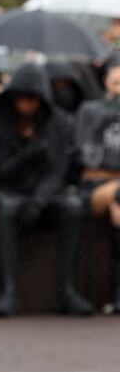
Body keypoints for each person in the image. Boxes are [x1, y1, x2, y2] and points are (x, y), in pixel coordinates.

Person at [0, 63, 93, 315]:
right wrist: (27, 155)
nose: (26, 103)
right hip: (10, 192)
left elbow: (59, 170)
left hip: (45, 196)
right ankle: (8, 291)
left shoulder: (58, 123)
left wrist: (39, 200)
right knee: (6, 208)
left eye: (32, 98)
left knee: (73, 207)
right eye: (21, 97)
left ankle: (67, 290)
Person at [75, 55, 120, 312]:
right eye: (115, 83)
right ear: (105, 82)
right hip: (95, 185)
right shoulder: (90, 110)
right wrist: (102, 122)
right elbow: (85, 156)